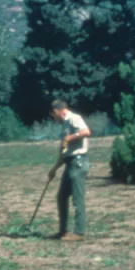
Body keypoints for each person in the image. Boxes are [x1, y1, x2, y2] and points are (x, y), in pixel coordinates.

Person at [47, 100, 92, 241]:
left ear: (57, 111)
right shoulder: (65, 124)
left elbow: (86, 131)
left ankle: (79, 233)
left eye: (54, 116)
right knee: (61, 197)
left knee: (77, 199)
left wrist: (70, 137)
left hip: (78, 162)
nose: (55, 119)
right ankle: (63, 231)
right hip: (69, 163)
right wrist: (54, 169)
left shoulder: (74, 118)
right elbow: (64, 151)